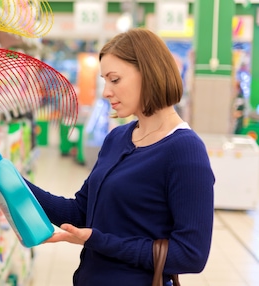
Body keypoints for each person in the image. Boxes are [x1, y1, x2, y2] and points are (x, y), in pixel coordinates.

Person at [25, 28, 215, 285]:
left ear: (148, 73)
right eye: (104, 80)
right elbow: (81, 212)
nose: (106, 92)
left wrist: (98, 241)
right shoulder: (117, 138)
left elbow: (191, 255)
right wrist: (15, 184)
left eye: (114, 80)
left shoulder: (185, 151)